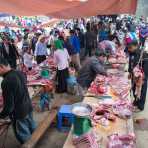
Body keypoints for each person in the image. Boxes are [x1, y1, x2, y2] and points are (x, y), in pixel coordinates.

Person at [0, 57, 36, 144]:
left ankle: (30, 145)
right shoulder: (20, 73)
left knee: (24, 135)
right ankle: (36, 142)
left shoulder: (6, 81)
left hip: (19, 114)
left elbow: (9, 107)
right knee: (32, 127)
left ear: (1, 67)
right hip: (28, 106)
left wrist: (1, 115)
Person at [128, 41, 148, 111]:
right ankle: (136, 102)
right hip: (134, 76)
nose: (129, 49)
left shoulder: (143, 54)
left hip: (141, 76)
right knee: (134, 89)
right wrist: (130, 72)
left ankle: (140, 106)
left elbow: (146, 67)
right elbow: (131, 63)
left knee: (141, 91)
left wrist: (143, 78)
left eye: (131, 48)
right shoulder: (132, 53)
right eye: (129, 48)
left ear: (136, 46)